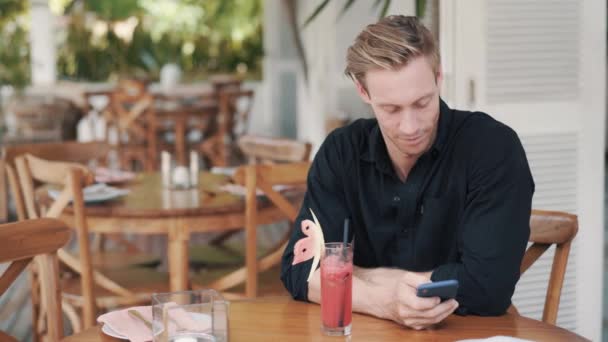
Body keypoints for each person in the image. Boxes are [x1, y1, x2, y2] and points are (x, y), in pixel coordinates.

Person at [280, 15, 534, 330]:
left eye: (423, 102)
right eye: (391, 109)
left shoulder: (492, 148)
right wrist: (385, 301)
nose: (410, 127)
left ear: (439, 77)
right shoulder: (341, 152)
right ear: (363, 91)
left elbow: (487, 288)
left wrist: (357, 275)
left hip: (467, 333)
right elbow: (300, 270)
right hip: (367, 331)